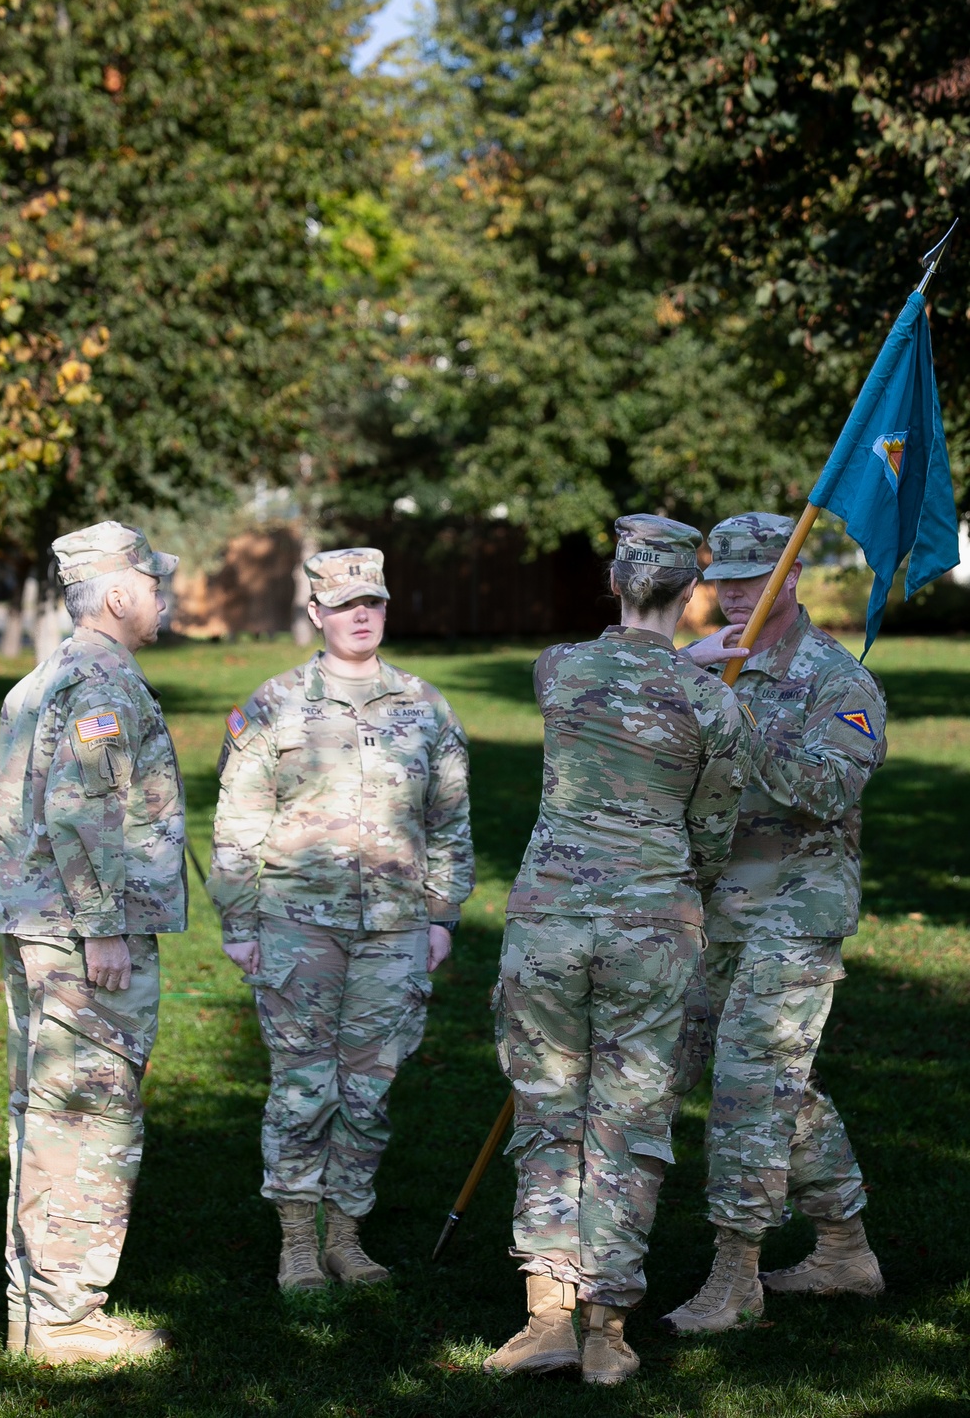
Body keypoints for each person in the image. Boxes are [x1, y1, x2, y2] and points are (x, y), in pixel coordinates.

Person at [484, 516, 750, 1386]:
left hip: (549, 922)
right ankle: (607, 1328)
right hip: (653, 926)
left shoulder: (558, 670)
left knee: (547, 1110)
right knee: (628, 1124)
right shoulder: (715, 703)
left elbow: (618, 661)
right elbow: (711, 833)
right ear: (690, 592)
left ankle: (544, 1315)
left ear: (615, 585)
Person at [208, 547, 474, 1291]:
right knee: (302, 1084)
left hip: (395, 927)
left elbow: (450, 819)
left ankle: (346, 1235)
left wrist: (443, 913)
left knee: (369, 1087)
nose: (362, 615)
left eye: (375, 602)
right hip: (297, 923)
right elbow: (238, 821)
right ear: (316, 613)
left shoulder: (425, 706)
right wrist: (239, 922)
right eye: (346, 604)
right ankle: (297, 1240)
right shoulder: (273, 704)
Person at [663, 512, 887, 1335]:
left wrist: (737, 720)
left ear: (790, 578)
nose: (734, 593)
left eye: (756, 577)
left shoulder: (839, 682)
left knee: (752, 1086)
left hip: (795, 908)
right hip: (712, 908)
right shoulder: (708, 664)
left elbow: (830, 792)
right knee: (782, 1088)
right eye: (724, 577)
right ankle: (844, 1247)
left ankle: (736, 1276)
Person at [0, 522, 184, 1364]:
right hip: (82, 939)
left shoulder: (45, 677)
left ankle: (41, 1308)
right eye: (154, 583)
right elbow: (81, 810)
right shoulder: (103, 680)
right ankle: (65, 1318)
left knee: (46, 1115)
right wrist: (104, 928)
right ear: (116, 593)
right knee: (89, 1119)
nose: (164, 597)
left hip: (40, 927)